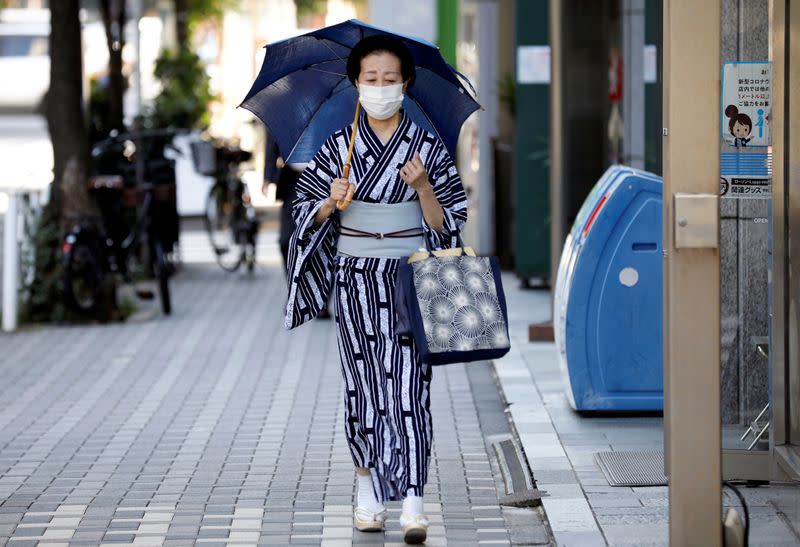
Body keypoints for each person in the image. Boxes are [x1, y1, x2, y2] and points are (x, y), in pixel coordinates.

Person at [284, 35, 468, 544]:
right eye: (372, 80)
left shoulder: (428, 149)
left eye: (391, 80)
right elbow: (303, 218)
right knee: (362, 385)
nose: (381, 88)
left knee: (411, 387)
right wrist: (329, 203)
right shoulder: (336, 147)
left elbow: (450, 226)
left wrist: (424, 188)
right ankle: (365, 488)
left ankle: (413, 499)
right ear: (356, 84)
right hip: (356, 276)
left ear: (406, 85)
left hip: (410, 279)